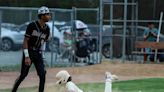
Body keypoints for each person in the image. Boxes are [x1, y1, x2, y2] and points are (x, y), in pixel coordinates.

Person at [12, 6, 51, 92]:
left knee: (42, 74)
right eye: (47, 14)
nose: (49, 16)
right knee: (23, 75)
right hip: (29, 51)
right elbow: (25, 41)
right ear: (41, 16)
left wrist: (43, 57)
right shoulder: (32, 26)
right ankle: (13, 90)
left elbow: (43, 42)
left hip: (38, 52)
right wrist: (26, 56)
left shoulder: (47, 29)